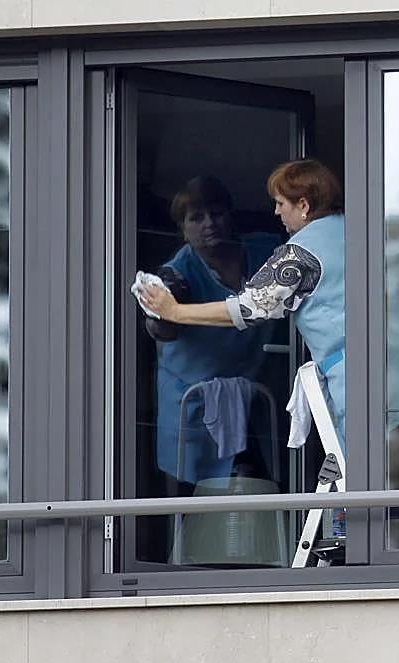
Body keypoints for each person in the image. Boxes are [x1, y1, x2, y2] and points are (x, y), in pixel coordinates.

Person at [140, 159, 347, 446]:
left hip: (355, 381)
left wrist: (173, 310)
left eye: (280, 203)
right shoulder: (362, 231)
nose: (275, 211)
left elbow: (249, 308)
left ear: (303, 205)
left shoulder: (301, 252)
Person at [142, 176, 282, 489]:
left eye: (217, 213)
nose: (209, 224)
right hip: (191, 401)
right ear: (182, 228)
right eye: (196, 218)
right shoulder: (178, 272)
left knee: (261, 487)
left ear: (231, 216)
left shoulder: (267, 252)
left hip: (257, 394)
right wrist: (159, 311)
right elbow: (160, 326)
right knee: (193, 496)